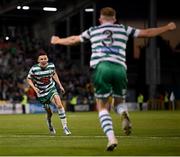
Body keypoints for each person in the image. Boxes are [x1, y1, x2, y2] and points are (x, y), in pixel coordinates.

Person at [51, 7, 176, 151]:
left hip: (101, 67)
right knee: (119, 102)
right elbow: (146, 33)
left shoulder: (93, 31)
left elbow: (74, 40)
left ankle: (111, 138)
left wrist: (59, 40)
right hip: (120, 68)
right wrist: (166, 27)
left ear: (100, 19)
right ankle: (124, 112)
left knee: (102, 106)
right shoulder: (123, 29)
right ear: (115, 19)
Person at [27, 50, 71, 135]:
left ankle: (65, 127)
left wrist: (60, 85)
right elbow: (28, 79)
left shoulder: (51, 66)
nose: (43, 60)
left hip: (51, 88)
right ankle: (50, 124)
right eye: (41, 59)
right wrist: (35, 89)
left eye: (45, 58)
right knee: (49, 113)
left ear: (47, 59)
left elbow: (54, 74)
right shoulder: (34, 69)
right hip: (41, 93)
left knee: (59, 104)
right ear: (38, 61)